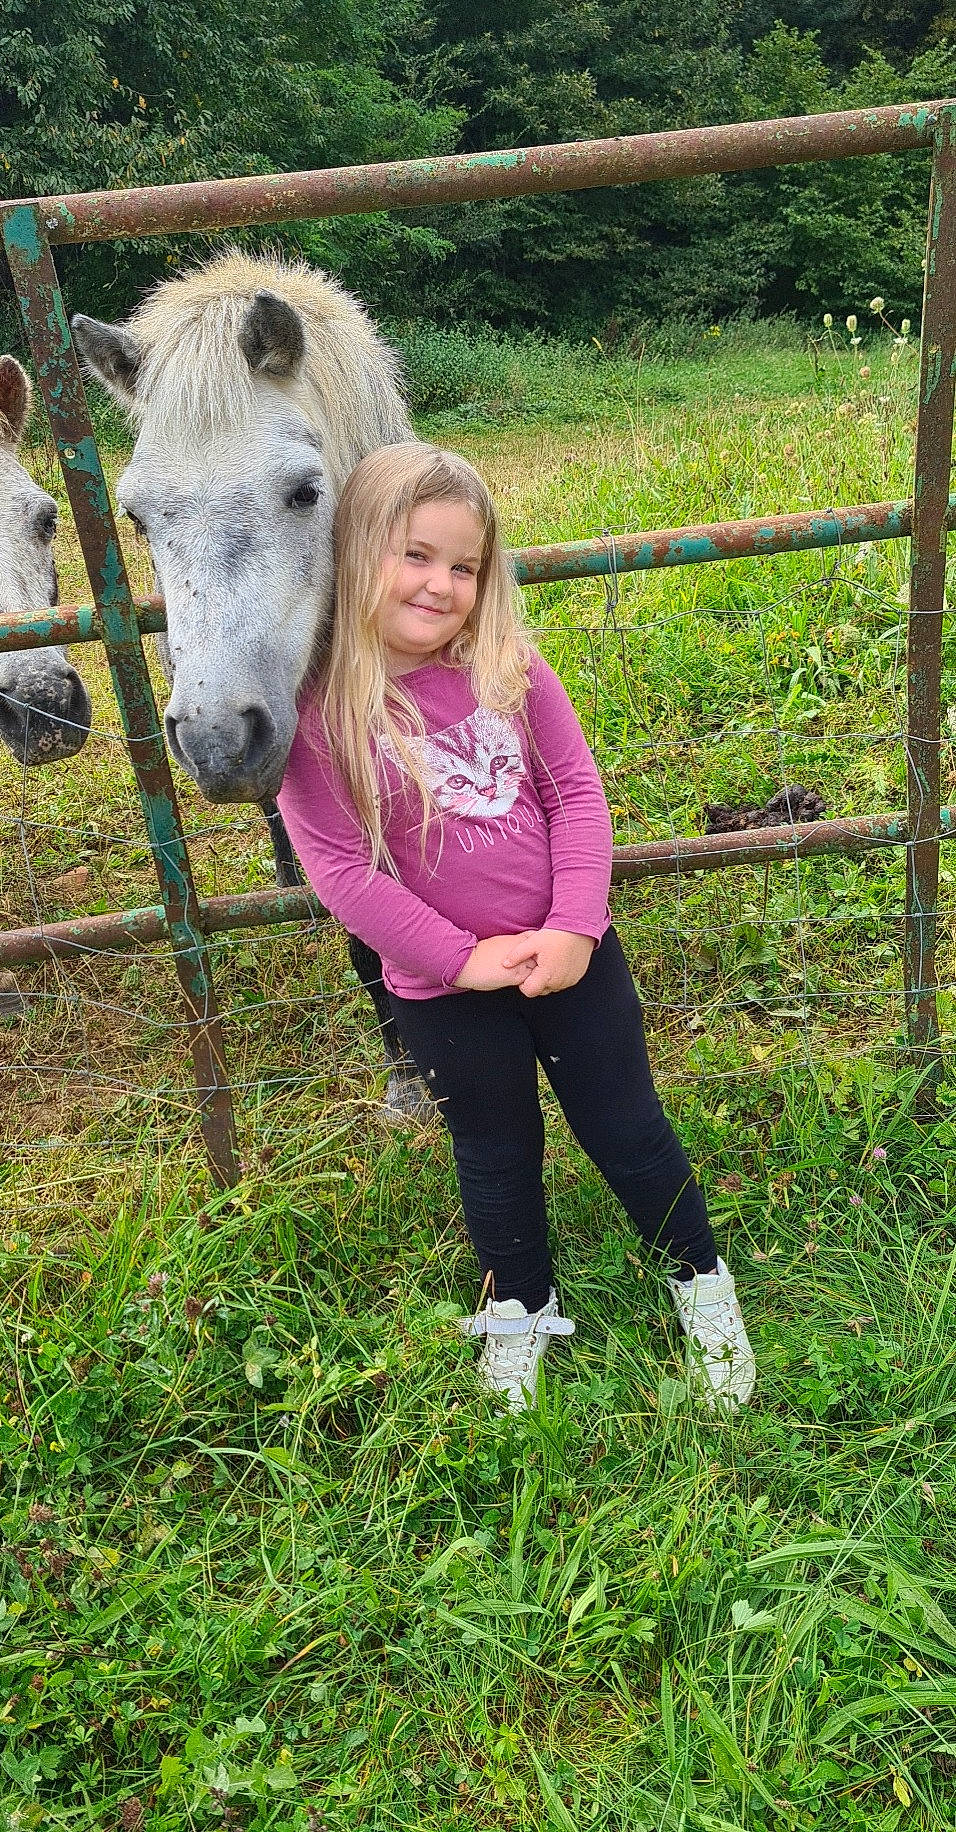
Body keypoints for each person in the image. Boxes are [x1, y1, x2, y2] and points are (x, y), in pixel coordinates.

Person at [278, 442, 755, 1414]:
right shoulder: (316, 713)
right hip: (442, 989)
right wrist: (461, 959)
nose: (440, 584)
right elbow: (341, 873)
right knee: (494, 1151)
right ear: (357, 549)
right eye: (415, 555)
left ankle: (701, 1280)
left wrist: (575, 925)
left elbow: (574, 793)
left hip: (573, 959)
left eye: (465, 565)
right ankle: (520, 1307)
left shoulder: (508, 667)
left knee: (627, 1127)